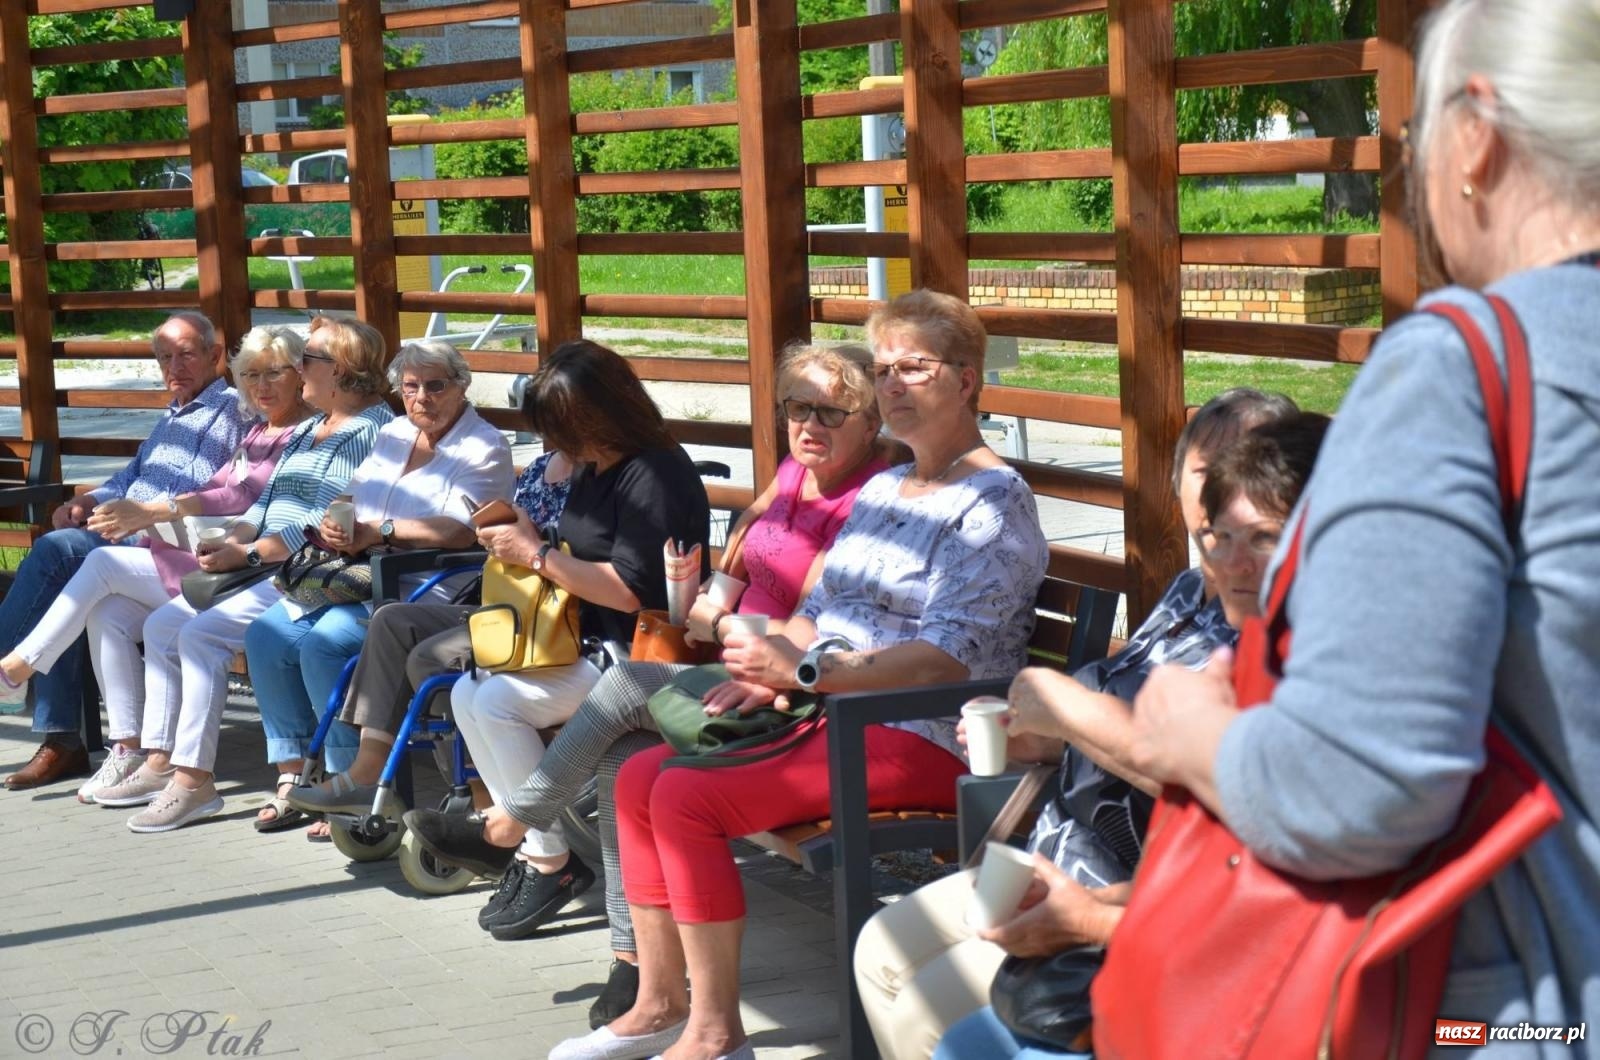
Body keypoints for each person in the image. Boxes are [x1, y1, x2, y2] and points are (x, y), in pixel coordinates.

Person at [1127, 0, 1600, 1045]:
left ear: (1475, 135)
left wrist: (1191, 734)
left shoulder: (1464, 370)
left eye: (1412, 140)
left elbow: (1361, 787)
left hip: (1527, 1014)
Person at [549, 289, 1048, 1060]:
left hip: (921, 728)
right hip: (837, 711)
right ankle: (657, 1003)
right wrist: (771, 663)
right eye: (883, 369)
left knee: (684, 794)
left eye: (914, 367)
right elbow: (828, 606)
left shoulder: (992, 501)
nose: (893, 384)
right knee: (635, 780)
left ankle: (716, 1035)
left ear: (967, 379)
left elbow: (947, 658)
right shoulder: (887, 487)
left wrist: (810, 672)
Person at [400, 342, 887, 1021]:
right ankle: (633, 961)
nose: (809, 424)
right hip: (716, 652)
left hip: (759, 672)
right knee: (621, 759)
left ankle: (511, 828)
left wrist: (540, 555)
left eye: (830, 411)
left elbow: (812, 603)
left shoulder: (866, 492)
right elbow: (740, 552)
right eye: (797, 408)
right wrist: (717, 609)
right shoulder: (791, 474)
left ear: (872, 416)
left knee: (615, 690)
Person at [851, 389, 1300, 1060]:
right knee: (881, 951)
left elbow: (1213, 793)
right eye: (1213, 474)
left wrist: (1062, 709)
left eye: (1258, 522)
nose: (1226, 510)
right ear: (1179, 479)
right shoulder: (1189, 590)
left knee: (947, 1017)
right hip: (1062, 858)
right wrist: (1035, 735)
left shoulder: (1272, 640)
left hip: (1129, 895)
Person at [290, 338, 710, 936]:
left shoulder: (653, 475)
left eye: (564, 428)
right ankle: (543, 851)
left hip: (631, 652)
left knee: (492, 697)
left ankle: (535, 851)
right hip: (576, 638)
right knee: (469, 694)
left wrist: (536, 555)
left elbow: (631, 592)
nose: (557, 443)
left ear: (600, 414)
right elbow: (574, 554)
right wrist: (526, 538)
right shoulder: (599, 464)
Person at [90, 316, 394, 832]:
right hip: (276, 569)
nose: (299, 370)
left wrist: (247, 557)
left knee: (210, 636)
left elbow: (316, 526)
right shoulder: (315, 426)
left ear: (338, 372)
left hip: (310, 573)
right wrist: (231, 541)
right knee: (165, 626)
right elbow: (266, 504)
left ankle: (196, 781)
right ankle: (189, 764)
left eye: (307, 361)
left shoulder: (364, 431)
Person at [0, 326, 313, 804]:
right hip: (166, 545)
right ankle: (130, 746)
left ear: (213, 355)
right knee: (107, 611)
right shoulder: (197, 418)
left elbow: (226, 493)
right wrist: (93, 500)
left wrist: (146, 514)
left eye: (185, 355)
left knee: (71, 554)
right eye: (164, 357)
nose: (174, 367)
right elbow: (134, 476)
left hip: (199, 555)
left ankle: (17, 667)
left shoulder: (236, 413)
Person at [244, 339, 512, 833]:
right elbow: (353, 493)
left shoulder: (484, 445)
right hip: (356, 575)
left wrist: (380, 532)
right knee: (265, 635)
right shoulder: (392, 432)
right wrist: (336, 522)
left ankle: (355, 783)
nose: (422, 398)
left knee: (324, 646)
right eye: (411, 387)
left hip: (425, 585)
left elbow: (461, 529)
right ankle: (292, 775)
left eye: (436, 386)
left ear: (462, 386)